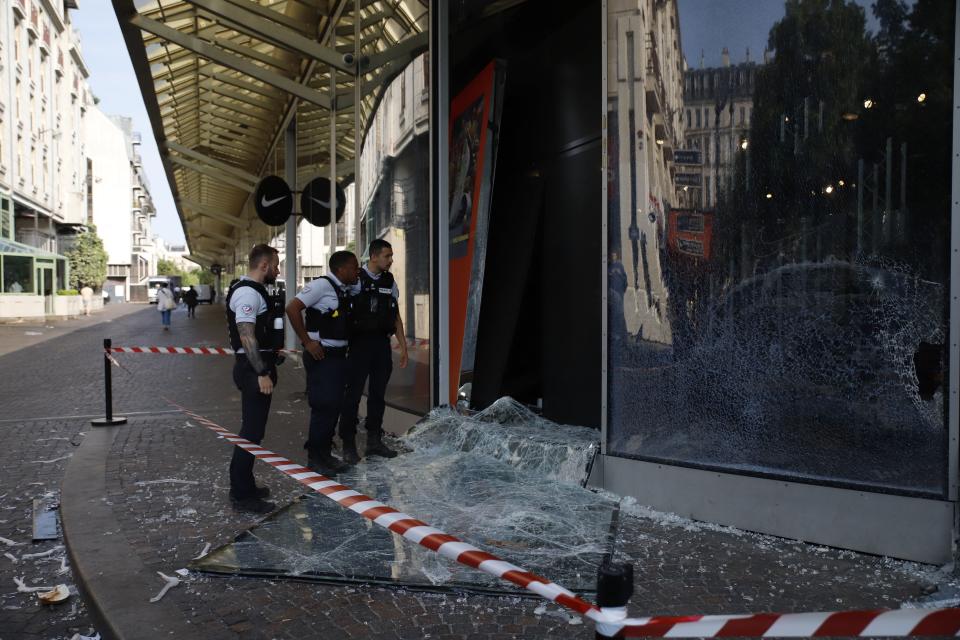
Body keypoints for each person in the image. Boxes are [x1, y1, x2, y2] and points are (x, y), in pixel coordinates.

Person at [286, 251, 360, 475]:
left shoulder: (345, 288)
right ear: (341, 269)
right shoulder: (321, 285)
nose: (357, 271)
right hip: (322, 357)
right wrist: (307, 342)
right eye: (354, 267)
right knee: (323, 406)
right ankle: (315, 458)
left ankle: (325, 454)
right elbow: (292, 308)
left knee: (334, 406)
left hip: (338, 358)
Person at [337, 239, 409, 463]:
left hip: (381, 346)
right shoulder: (355, 280)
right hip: (359, 345)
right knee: (353, 395)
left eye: (391, 256)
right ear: (374, 256)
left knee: (378, 395)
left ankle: (374, 441)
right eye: (387, 256)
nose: (391, 260)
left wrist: (403, 346)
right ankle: (348, 443)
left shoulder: (389, 281)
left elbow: (395, 316)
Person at [225, 244, 282, 513]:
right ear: (264, 266)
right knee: (250, 433)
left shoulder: (253, 290)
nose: (278, 270)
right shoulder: (248, 292)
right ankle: (241, 494)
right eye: (276, 264)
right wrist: (261, 372)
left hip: (255, 366)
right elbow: (246, 335)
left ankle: (245, 486)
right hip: (251, 369)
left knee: (253, 431)